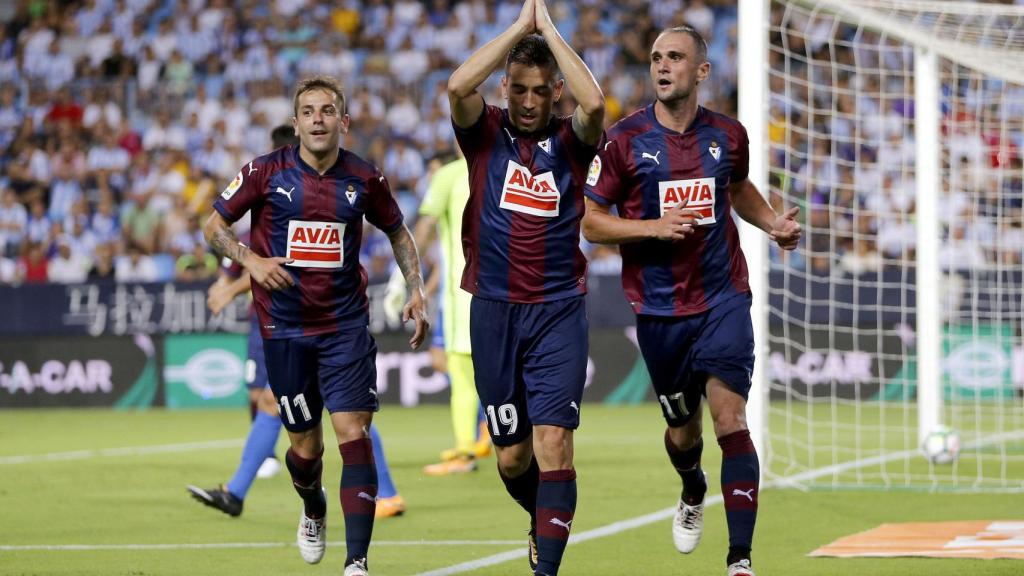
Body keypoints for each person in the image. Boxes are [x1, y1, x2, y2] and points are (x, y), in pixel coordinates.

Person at [581, 26, 802, 576]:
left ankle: (740, 559)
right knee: (684, 433)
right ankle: (691, 486)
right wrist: (652, 227)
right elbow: (591, 221)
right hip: (660, 311)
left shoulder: (728, 135)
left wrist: (772, 222)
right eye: (656, 57)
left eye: (675, 57)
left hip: (723, 297)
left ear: (701, 70)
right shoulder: (623, 140)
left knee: (730, 419)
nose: (662, 65)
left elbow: (737, 188)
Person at [203, 76, 429, 576]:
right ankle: (313, 505)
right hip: (284, 331)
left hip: (345, 327)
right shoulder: (263, 171)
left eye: (327, 111)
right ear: (297, 122)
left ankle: (357, 562)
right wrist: (251, 260)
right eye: (308, 112)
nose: (318, 119)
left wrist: (415, 286)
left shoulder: (365, 177)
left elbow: (398, 231)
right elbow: (213, 226)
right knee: (305, 452)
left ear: (342, 121)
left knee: (354, 432)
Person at [447, 1, 604, 574]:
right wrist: (519, 27)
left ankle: (547, 569)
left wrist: (549, 30)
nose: (529, 101)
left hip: (558, 311)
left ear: (556, 90)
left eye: (540, 90)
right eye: (518, 89)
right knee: (512, 458)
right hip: (493, 311)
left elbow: (594, 104)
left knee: (553, 443)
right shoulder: (484, 133)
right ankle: (542, 519)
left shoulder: (573, 141)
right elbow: (457, 85)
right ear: (505, 88)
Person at [189, 125, 408, 520]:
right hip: (281, 322)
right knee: (320, 409)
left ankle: (239, 491)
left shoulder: (311, 189)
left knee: (338, 412)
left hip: (313, 324)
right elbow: (250, 253)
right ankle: (238, 490)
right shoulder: (270, 195)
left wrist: (232, 289)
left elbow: (294, 264)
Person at [407, 146, 493, 476]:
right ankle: (516, 445)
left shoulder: (451, 174)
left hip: (466, 294)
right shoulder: (510, 165)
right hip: (512, 290)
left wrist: (407, 277)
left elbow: (424, 229)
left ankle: (465, 451)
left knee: (462, 376)